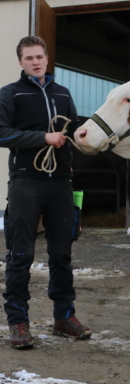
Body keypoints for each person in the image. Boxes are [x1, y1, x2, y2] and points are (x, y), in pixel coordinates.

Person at [0, 36, 91, 349]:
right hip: (26, 182)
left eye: (39, 56)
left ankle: (64, 317)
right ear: (21, 62)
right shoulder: (11, 94)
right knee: (20, 254)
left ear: (47, 58)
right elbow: (1, 133)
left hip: (60, 183)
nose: (35, 62)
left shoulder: (63, 93)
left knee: (62, 254)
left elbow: (74, 128)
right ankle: (18, 322)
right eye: (29, 58)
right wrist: (43, 137)